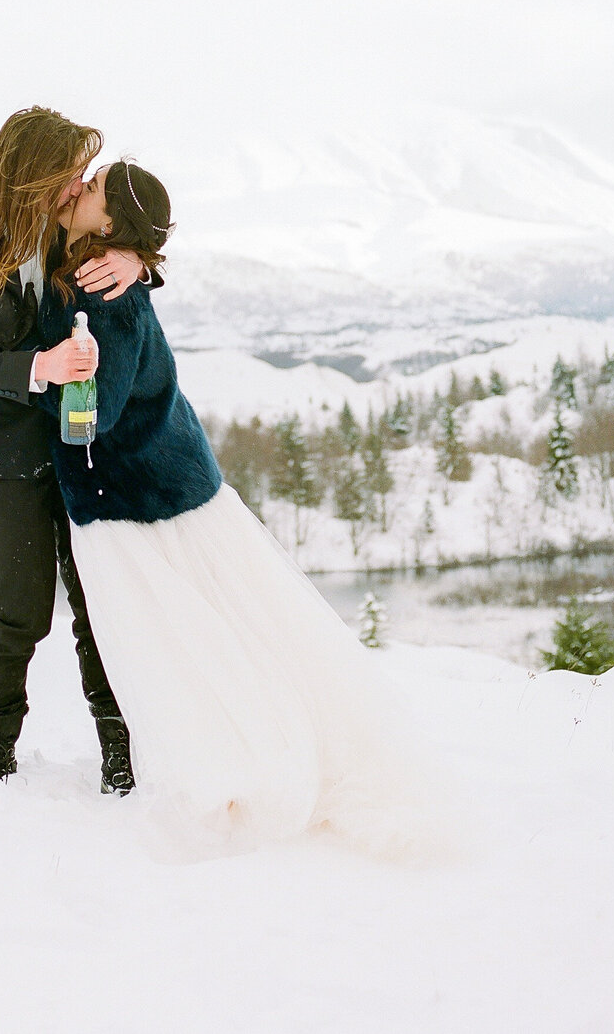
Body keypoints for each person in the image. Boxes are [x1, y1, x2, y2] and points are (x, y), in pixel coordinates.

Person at [36, 159, 459, 857]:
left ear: (110, 225)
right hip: (168, 482)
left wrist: (48, 378)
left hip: (141, 502)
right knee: (224, 630)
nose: (80, 185)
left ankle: (234, 762)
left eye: (97, 186)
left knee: (180, 642)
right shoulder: (102, 265)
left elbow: (91, 417)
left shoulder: (101, 290)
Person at [0, 108, 158, 791]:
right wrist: (36, 369)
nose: (78, 188)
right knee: (22, 607)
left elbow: (130, 226)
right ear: (32, 176)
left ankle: (123, 756)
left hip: (78, 442)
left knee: (98, 600)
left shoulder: (59, 223)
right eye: (69, 175)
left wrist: (139, 259)